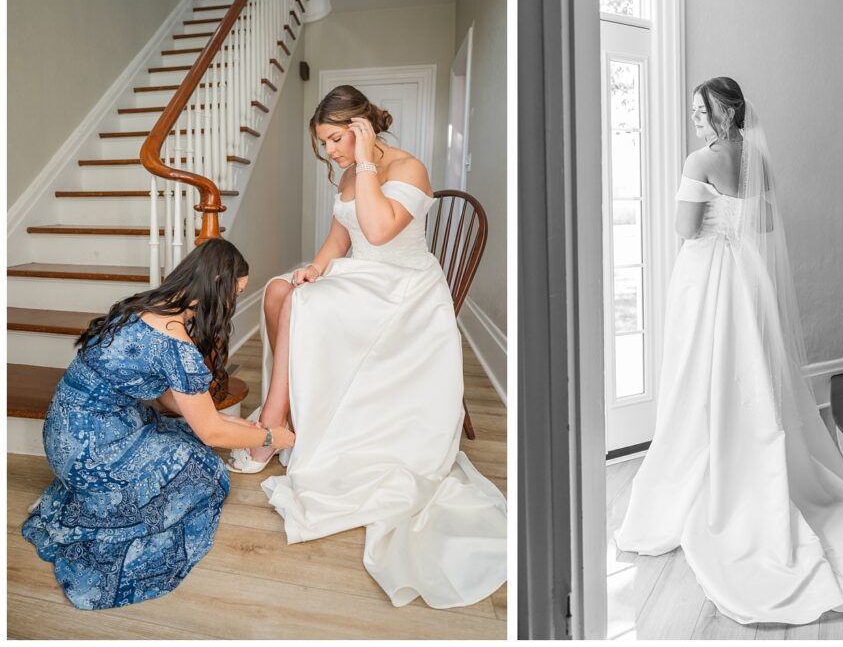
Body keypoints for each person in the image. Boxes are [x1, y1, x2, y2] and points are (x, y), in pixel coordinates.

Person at [614, 77, 843, 625]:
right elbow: (765, 223)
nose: (693, 120)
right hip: (746, 277)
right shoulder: (755, 157)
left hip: (706, 276)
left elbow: (686, 229)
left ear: (723, 113)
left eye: (699, 111)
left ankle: (706, 464)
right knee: (747, 368)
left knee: (697, 372)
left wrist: (704, 215)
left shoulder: (699, 161)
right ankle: (741, 447)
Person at [227, 84, 506, 609]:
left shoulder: (406, 168)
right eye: (325, 143)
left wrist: (367, 164)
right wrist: (313, 268)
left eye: (336, 139)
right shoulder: (349, 172)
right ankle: (288, 418)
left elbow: (377, 232)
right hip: (363, 280)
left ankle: (270, 430)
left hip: (404, 292)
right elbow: (340, 241)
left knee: (301, 306)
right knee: (283, 289)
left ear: (362, 127)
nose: (331, 152)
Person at [22, 238, 295, 610]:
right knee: (207, 473)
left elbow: (170, 398)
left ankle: (85, 497)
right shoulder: (174, 341)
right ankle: (97, 512)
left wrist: (208, 416)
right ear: (217, 282)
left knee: (184, 433)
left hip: (64, 434)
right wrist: (269, 434)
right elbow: (212, 434)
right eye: (236, 291)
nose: (233, 302)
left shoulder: (141, 308)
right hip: (92, 452)